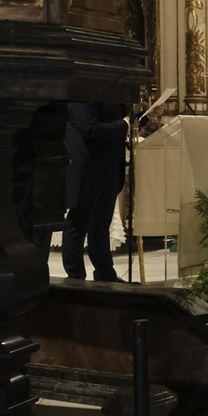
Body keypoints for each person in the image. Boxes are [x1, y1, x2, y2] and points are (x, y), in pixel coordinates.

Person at [63, 103, 146, 282]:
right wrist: (124, 124)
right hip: (88, 164)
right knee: (78, 221)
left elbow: (125, 121)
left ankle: (105, 273)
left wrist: (145, 117)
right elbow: (90, 128)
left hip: (110, 163)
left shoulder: (113, 92)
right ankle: (75, 277)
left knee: (101, 222)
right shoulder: (83, 90)